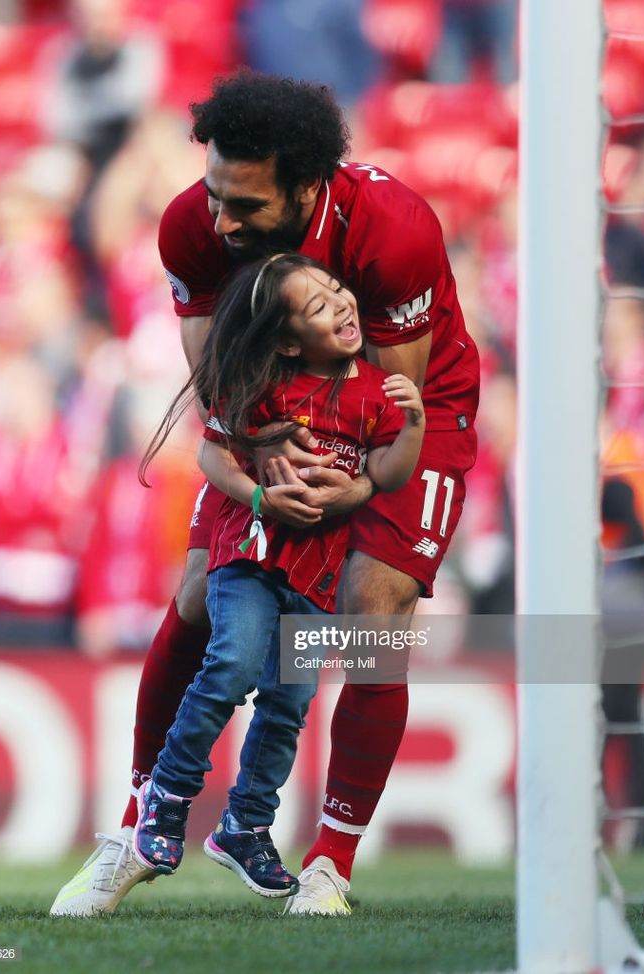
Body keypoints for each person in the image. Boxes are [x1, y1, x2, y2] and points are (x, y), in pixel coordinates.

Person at [50, 70, 479, 918]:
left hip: (408, 415)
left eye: (244, 206)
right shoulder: (191, 225)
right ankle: (142, 825)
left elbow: (390, 410)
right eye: (214, 194)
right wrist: (256, 462)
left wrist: (337, 488)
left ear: (307, 188)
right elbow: (211, 370)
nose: (220, 219)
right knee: (202, 594)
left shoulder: (393, 232)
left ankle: (330, 861)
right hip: (268, 410)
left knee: (369, 612)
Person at [128, 252, 423, 897]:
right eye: (317, 306)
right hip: (251, 556)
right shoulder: (266, 387)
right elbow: (211, 451)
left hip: (317, 574)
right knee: (232, 664)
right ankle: (168, 794)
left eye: (338, 291)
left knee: (289, 703)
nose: (341, 304)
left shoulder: (376, 392)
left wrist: (408, 434)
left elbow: (393, 475)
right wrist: (259, 497)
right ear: (289, 339)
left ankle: (245, 825)